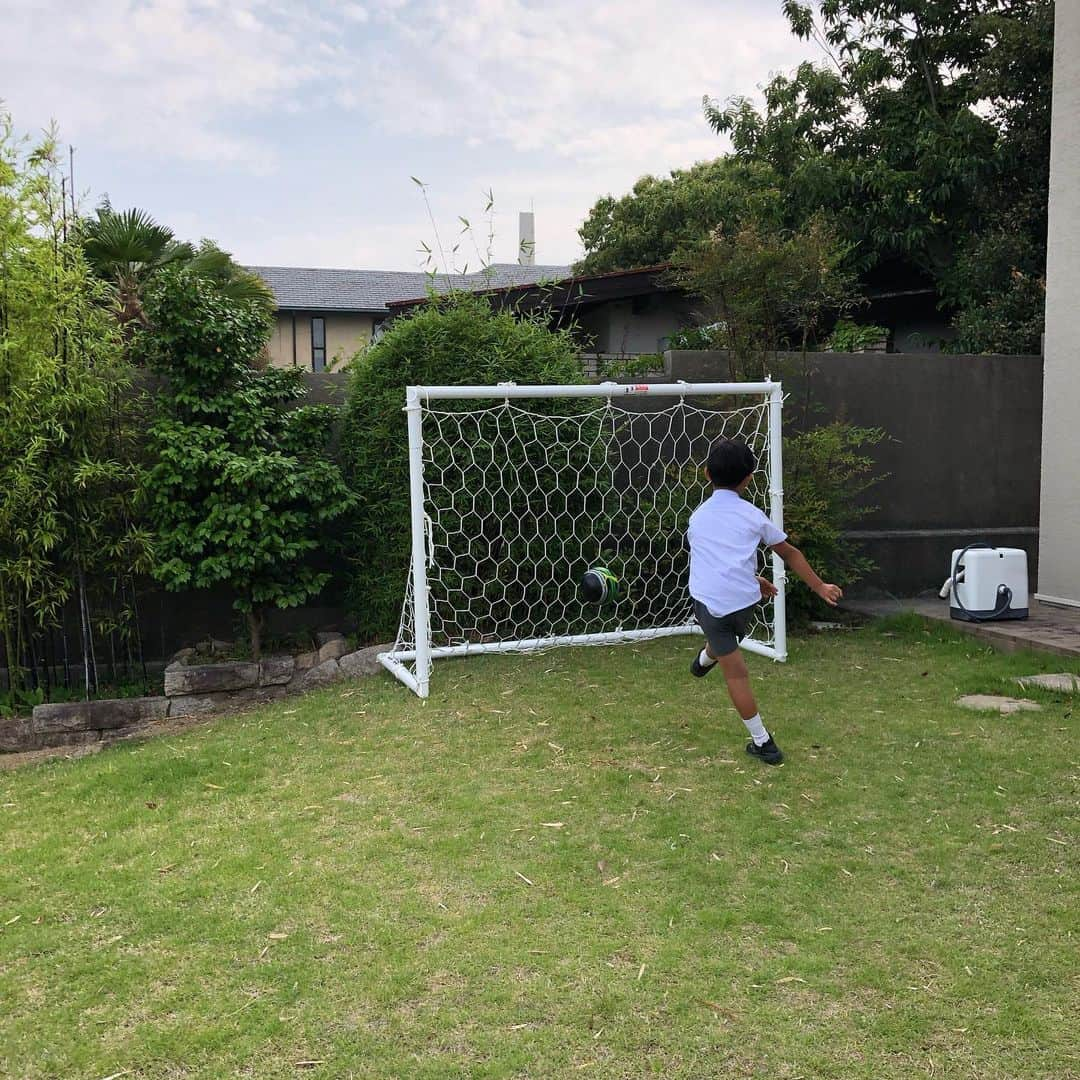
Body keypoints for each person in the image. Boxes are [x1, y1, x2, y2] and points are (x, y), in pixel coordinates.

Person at [687, 438, 842, 765]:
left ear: (705, 474)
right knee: (725, 641)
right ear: (749, 479)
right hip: (745, 604)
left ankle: (763, 743)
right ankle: (704, 661)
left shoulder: (698, 518)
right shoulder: (754, 515)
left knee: (736, 672)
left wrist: (752, 580)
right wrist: (819, 586)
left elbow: (714, 561)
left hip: (712, 605)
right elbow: (789, 553)